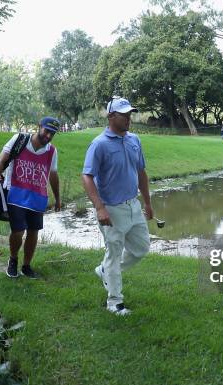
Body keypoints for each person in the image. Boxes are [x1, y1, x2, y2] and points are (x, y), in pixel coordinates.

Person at [82, 97, 152, 316]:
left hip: (133, 205)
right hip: (111, 209)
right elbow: (87, 176)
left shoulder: (134, 140)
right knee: (114, 252)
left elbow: (141, 172)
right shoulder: (99, 144)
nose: (129, 118)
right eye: (124, 114)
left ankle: (106, 271)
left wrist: (148, 202)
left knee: (141, 248)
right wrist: (99, 207)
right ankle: (115, 302)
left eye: (130, 113)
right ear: (111, 116)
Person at [0, 117, 62, 278]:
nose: (48, 136)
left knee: (34, 232)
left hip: (38, 197)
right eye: (46, 131)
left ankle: (26, 266)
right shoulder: (20, 140)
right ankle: (13, 260)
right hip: (16, 193)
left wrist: (58, 198)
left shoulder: (52, 151)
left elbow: (53, 175)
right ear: (39, 127)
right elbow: (0, 161)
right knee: (18, 231)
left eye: (52, 134)